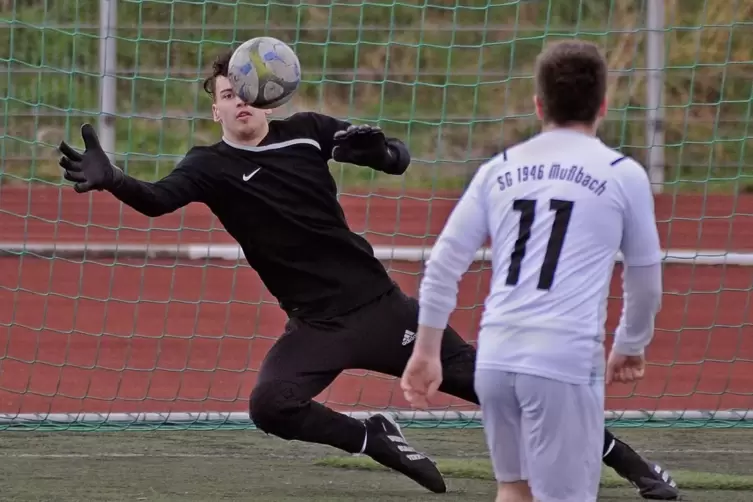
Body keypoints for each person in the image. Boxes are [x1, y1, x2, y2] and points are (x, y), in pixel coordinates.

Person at [58, 47, 679, 499]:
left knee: (509, 393)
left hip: (382, 311)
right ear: (217, 107)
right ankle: (373, 438)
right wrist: (113, 180)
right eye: (227, 91)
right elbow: (158, 199)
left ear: (272, 95)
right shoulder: (207, 165)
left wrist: (380, 150)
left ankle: (634, 464)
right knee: (270, 405)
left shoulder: (306, 133)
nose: (240, 98)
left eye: (248, 86)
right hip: (317, 325)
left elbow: (397, 160)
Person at [401, 39, 672, 502]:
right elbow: (645, 280)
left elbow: (445, 262)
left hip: (496, 357)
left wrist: (426, 349)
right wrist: (630, 345)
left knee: (514, 488)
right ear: (603, 105)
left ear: (538, 104)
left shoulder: (498, 169)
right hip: (562, 361)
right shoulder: (621, 173)